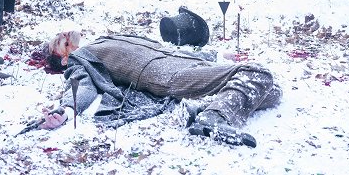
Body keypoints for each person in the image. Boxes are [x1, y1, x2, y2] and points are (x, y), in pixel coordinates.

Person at [37, 26, 282, 148]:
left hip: (186, 64)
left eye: (62, 34)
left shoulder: (108, 37)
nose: (65, 34)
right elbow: (79, 86)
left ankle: (207, 110)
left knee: (271, 91)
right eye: (61, 42)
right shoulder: (83, 58)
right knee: (257, 73)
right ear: (66, 58)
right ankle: (214, 117)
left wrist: (213, 55)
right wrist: (66, 110)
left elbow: (165, 47)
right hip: (166, 75)